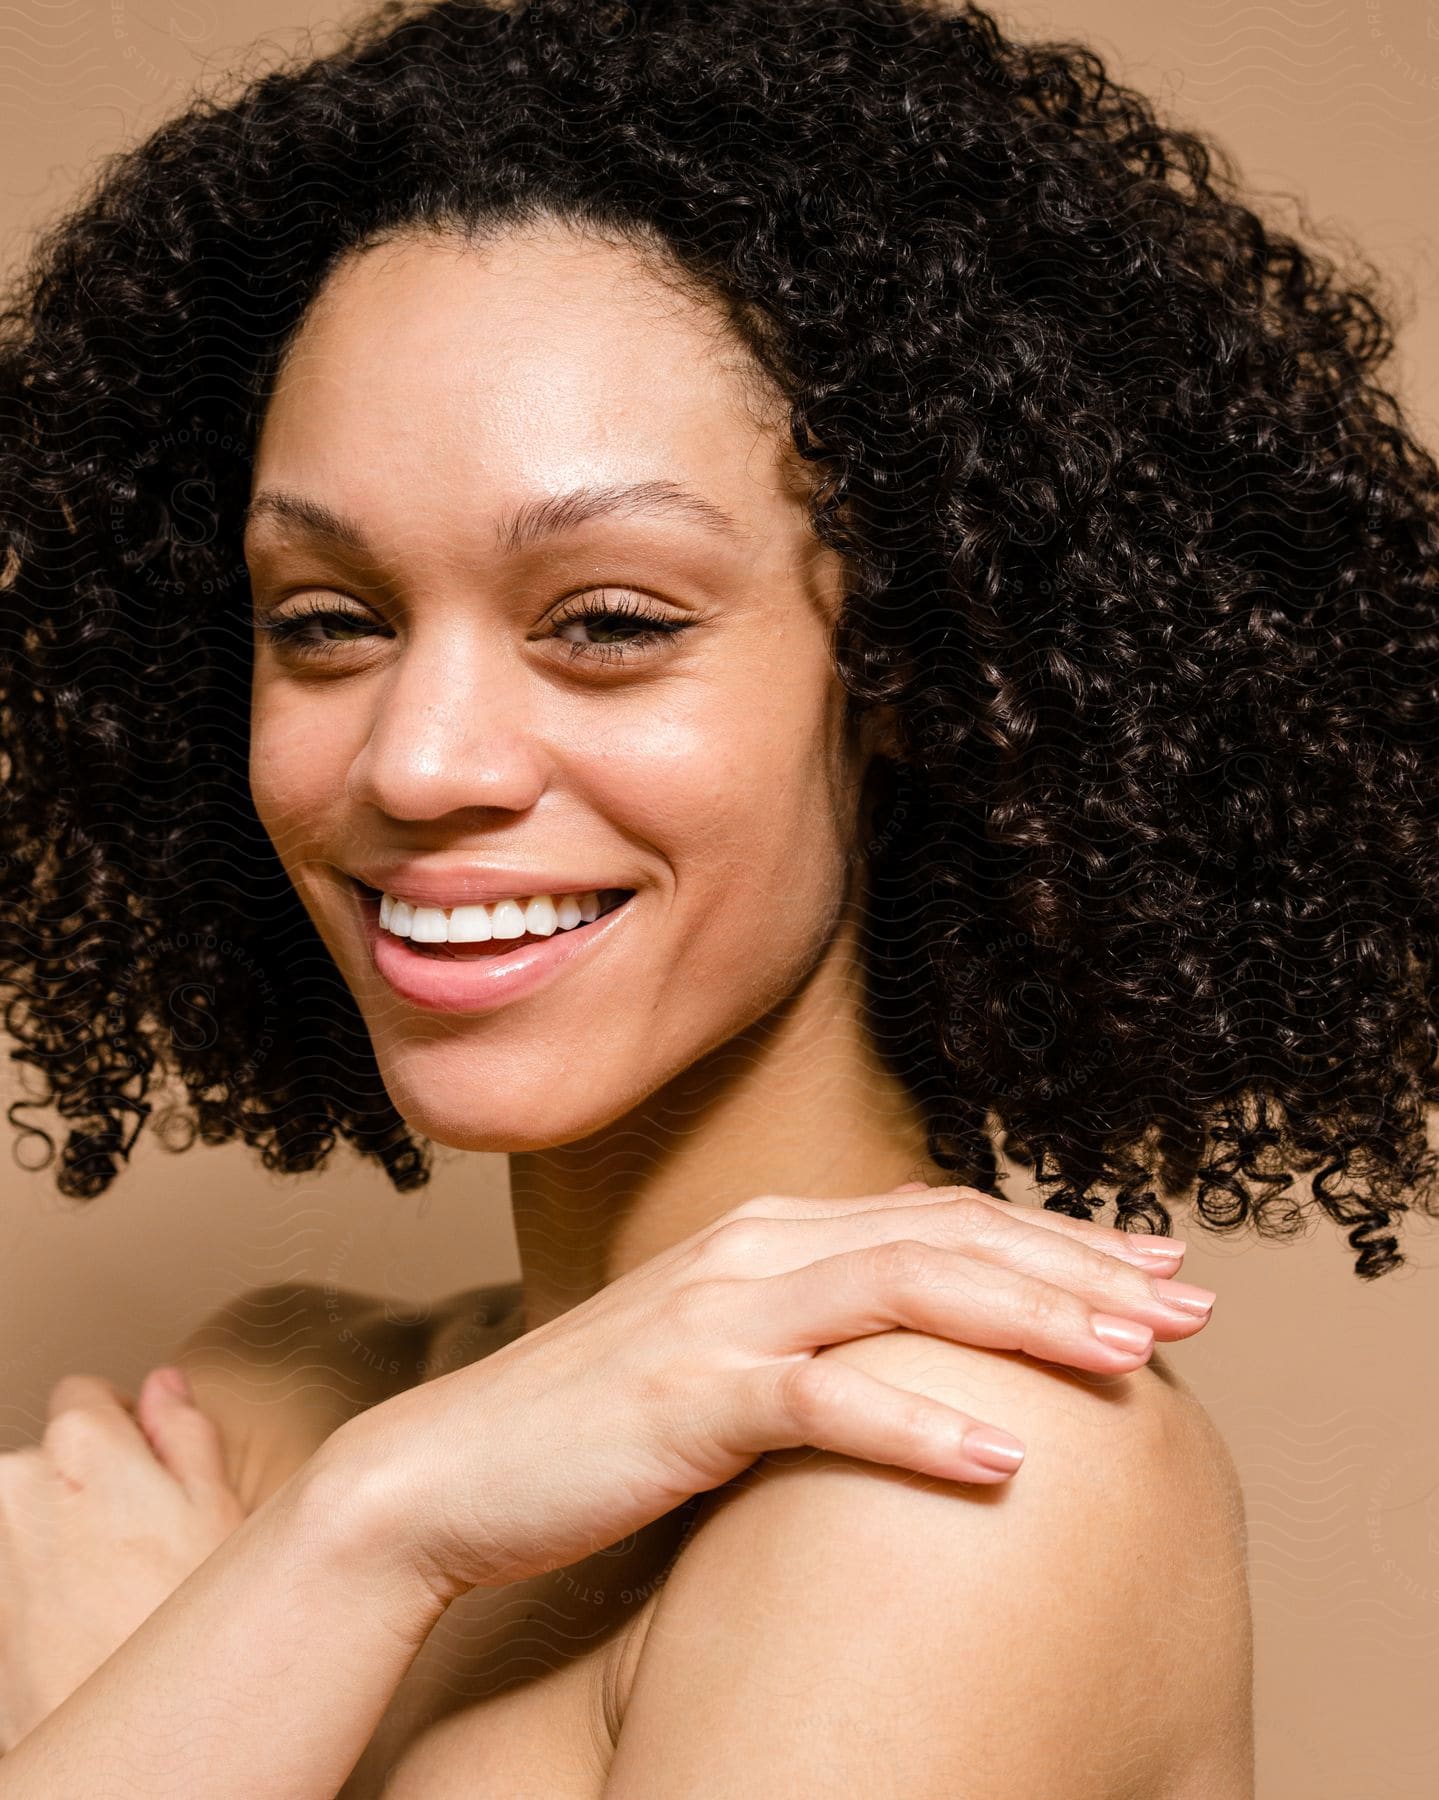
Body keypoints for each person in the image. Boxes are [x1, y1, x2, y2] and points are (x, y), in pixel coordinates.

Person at [2, 0, 1435, 1791]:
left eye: (610, 622)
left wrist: (293, 1590)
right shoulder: (281, 1399)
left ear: (922, 676)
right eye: (327, 621)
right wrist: (367, 1519)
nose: (419, 761)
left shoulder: (961, 1466)